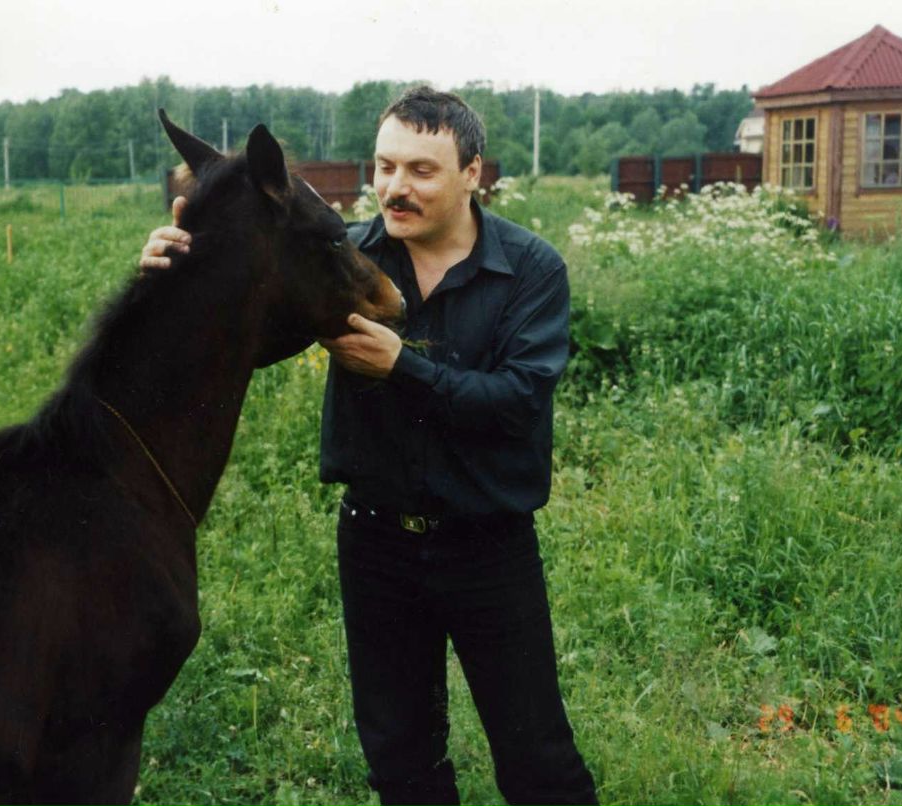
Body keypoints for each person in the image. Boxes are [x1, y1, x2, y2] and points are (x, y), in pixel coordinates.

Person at [141, 85, 598, 806]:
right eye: (385, 167)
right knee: (400, 757)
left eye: (421, 170)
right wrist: (176, 271)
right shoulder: (341, 257)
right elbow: (229, 344)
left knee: (537, 756)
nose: (394, 187)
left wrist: (404, 370)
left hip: (490, 549)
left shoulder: (531, 271)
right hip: (376, 545)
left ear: (473, 174)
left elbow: (515, 403)